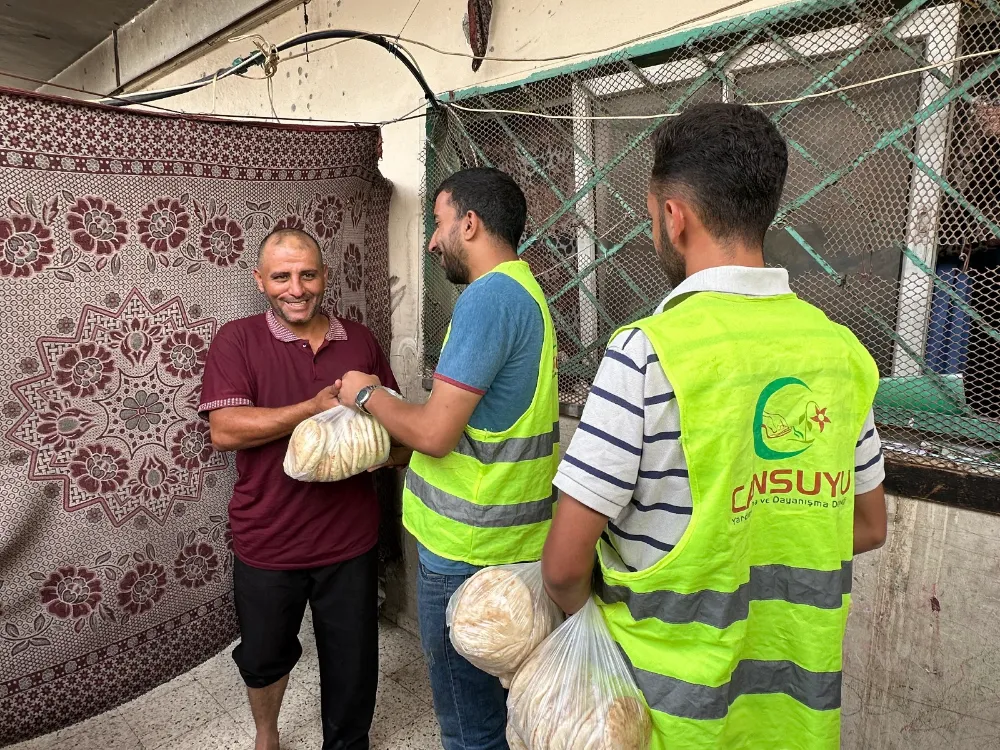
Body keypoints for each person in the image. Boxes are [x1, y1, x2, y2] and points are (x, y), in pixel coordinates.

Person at [540, 103, 888, 750]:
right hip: (797, 723)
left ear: (674, 218)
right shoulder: (840, 353)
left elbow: (563, 567)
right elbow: (868, 526)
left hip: (668, 718)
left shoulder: (647, 353)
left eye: (651, 216)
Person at [337, 167, 559, 750]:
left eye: (438, 223)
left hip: (466, 549)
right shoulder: (526, 292)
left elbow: (436, 433)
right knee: (503, 712)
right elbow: (479, 426)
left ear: (470, 223)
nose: (433, 241)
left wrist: (366, 394)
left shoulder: (488, 298)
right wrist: (399, 449)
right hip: (510, 541)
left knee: (469, 727)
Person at [199, 227, 407, 750]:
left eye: (308, 274)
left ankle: (348, 745)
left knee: (352, 659)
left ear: (325, 276)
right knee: (264, 654)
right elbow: (225, 431)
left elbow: (395, 425)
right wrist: (311, 410)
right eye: (281, 277)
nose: (296, 289)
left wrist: (386, 447)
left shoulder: (359, 341)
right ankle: (267, 735)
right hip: (269, 536)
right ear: (260, 281)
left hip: (349, 537)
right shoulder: (237, 340)